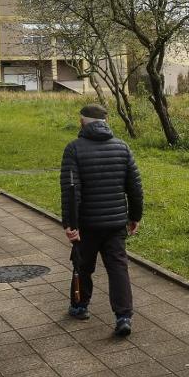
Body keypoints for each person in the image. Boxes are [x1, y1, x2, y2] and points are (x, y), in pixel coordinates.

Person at [60, 103, 143, 336]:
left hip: (87, 225)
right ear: (106, 122)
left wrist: (70, 225)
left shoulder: (74, 149)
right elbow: (135, 188)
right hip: (116, 224)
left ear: (82, 122)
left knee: (83, 266)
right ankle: (123, 316)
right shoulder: (122, 147)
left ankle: (79, 306)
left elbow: (70, 190)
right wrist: (134, 216)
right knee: (118, 268)